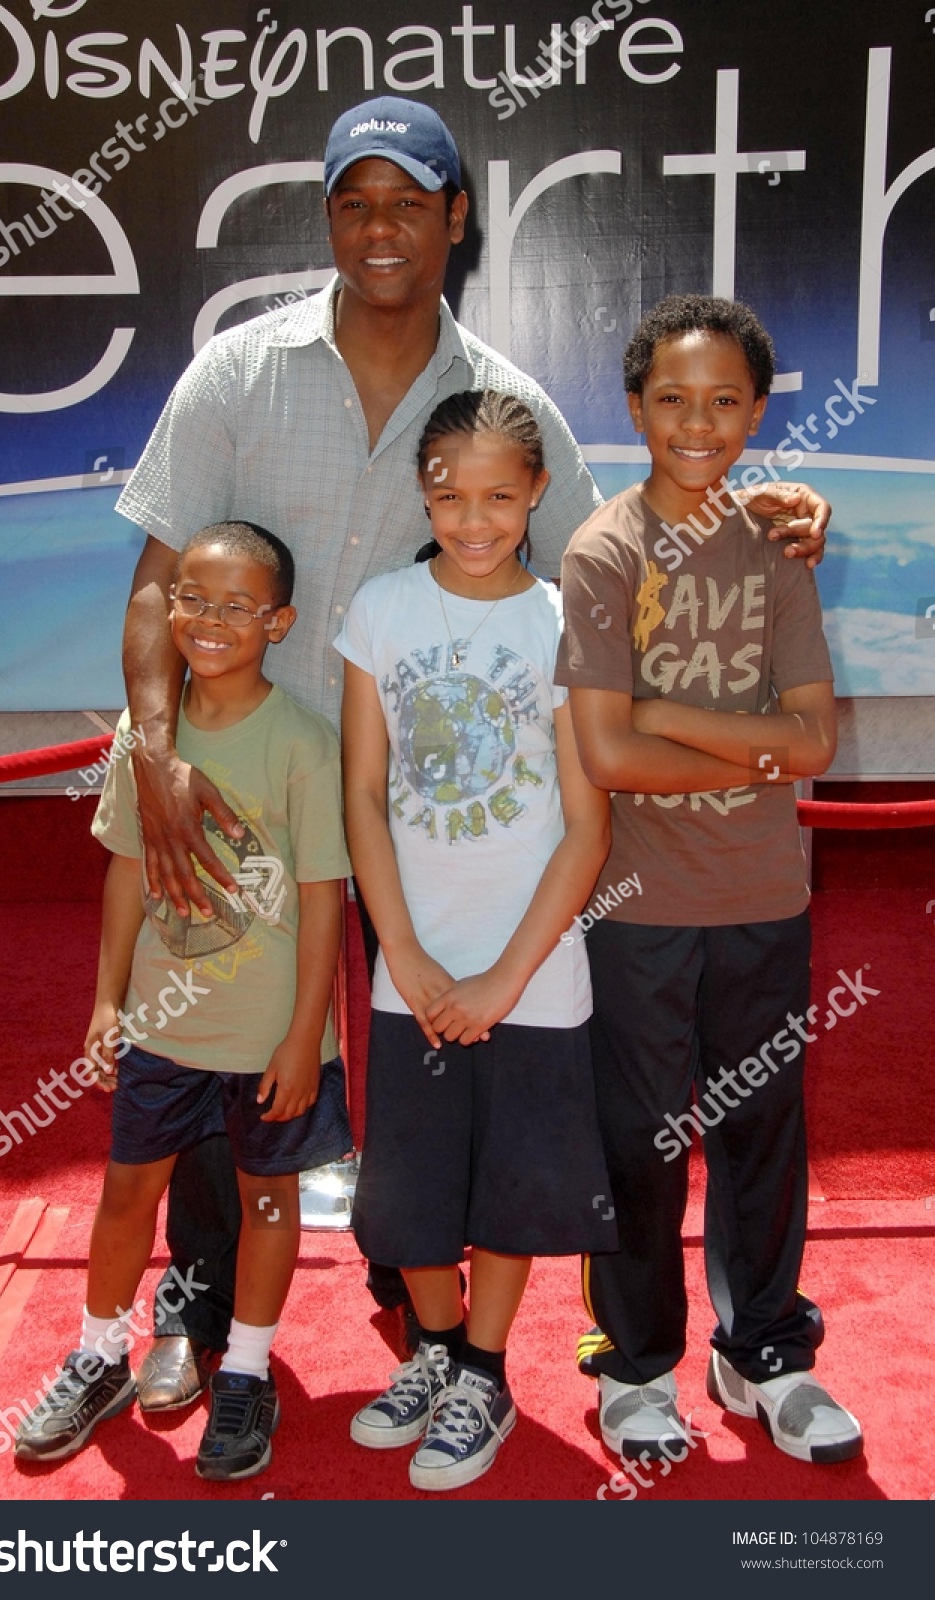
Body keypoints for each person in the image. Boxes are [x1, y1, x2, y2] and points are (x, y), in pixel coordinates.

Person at [113, 92, 832, 1407]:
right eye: (352, 200)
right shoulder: (235, 370)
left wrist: (755, 510)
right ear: (328, 217)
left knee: (436, 1058)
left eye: (408, 200)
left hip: (431, 817)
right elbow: (159, 586)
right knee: (219, 1055)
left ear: (456, 218)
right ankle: (199, 1313)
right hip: (248, 798)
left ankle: (429, 1311)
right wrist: (159, 759)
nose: (379, 226)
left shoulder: (502, 401)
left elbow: (614, 560)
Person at [556, 294, 863, 1468]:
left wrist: (665, 709)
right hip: (638, 911)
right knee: (637, 1144)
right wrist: (749, 738)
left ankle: (765, 1350)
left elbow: (817, 743)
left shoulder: (780, 548)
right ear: (635, 410)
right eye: (673, 400)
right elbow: (607, 754)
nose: (698, 422)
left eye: (724, 401)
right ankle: (634, 1366)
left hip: (763, 898)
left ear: (755, 412)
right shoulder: (604, 550)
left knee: (762, 1133)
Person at [13, 522, 352, 1480]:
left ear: (278, 621)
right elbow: (126, 871)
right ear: (166, 609)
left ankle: (243, 1371)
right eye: (191, 599)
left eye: (238, 605)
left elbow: (324, 896)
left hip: (266, 1037)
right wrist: (105, 1001)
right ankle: (95, 1354)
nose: (209, 620)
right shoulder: (143, 737)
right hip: (164, 1026)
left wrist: (304, 1036)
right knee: (127, 1193)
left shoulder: (303, 743)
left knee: (268, 1204)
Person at [336, 390, 616, 1491]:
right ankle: (437, 1350)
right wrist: (401, 952)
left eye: (500, 495)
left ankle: (487, 1376)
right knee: (407, 1192)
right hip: (416, 960)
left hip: (535, 968)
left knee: (512, 1185)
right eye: (450, 496)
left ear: (538, 492)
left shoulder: (562, 619)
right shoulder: (381, 609)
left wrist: (506, 974)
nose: (475, 517)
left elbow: (589, 825)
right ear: (424, 493)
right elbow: (364, 793)